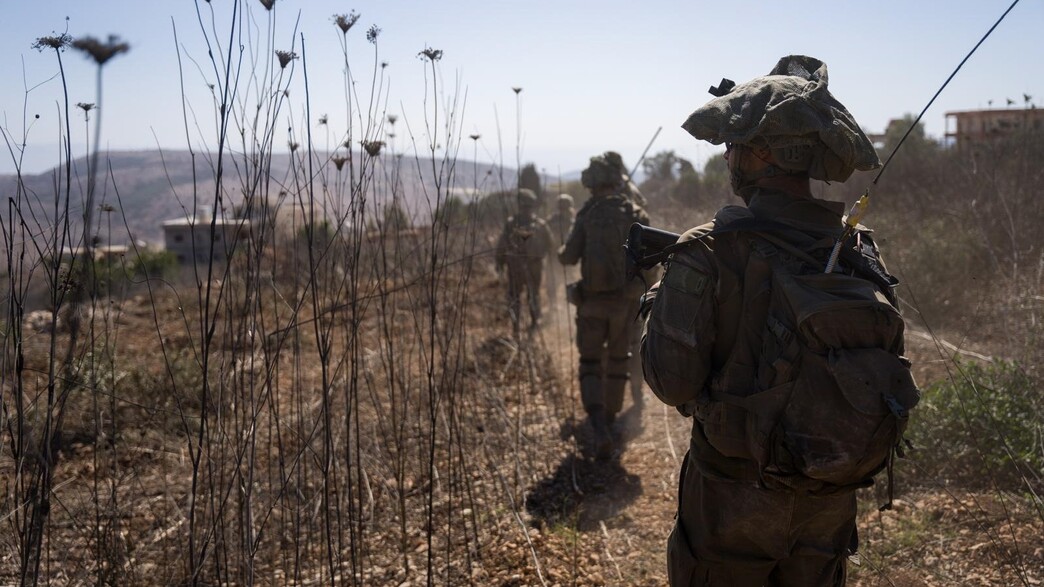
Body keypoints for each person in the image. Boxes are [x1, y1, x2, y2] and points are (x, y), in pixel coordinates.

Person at [641, 55, 900, 585]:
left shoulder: (710, 251)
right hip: (829, 497)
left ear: (760, 155)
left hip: (733, 502)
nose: (729, 157)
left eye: (734, 146)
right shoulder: (854, 251)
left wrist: (657, 308)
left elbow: (672, 382)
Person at [559, 152, 649, 458]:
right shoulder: (635, 213)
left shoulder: (587, 214)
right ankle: (610, 421)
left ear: (591, 182)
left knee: (591, 363)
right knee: (618, 362)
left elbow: (568, 257)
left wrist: (563, 248)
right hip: (624, 306)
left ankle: (598, 424)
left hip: (592, 305)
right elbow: (651, 263)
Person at [495, 188, 554, 335]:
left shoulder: (512, 223)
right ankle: (531, 325)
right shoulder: (540, 224)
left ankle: (519, 327)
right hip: (532, 265)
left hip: (518, 266)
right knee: (531, 295)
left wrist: (500, 262)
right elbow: (550, 245)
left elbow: (502, 245)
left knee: (517, 296)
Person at [544, 193, 576, 308]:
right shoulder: (573, 221)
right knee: (560, 282)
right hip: (562, 257)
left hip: (561, 257)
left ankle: (559, 305)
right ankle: (559, 305)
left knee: (555, 283)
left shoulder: (550, 221)